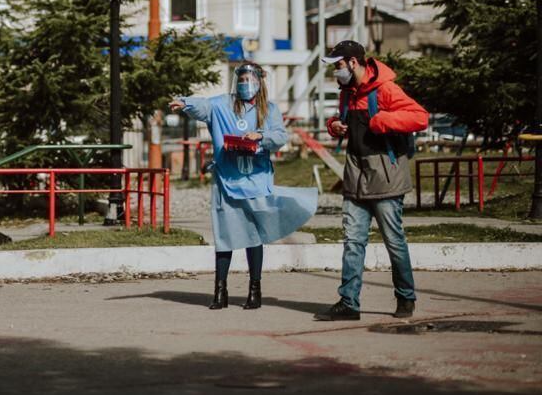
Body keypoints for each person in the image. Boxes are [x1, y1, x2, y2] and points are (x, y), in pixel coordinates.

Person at [170, 62, 318, 310]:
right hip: (226, 179)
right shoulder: (222, 105)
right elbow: (204, 106)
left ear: (259, 82)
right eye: (241, 80)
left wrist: (260, 136)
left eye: (250, 80)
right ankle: (220, 290)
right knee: (224, 235)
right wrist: (185, 102)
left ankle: (255, 289)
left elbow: (280, 136)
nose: (245, 84)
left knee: (253, 235)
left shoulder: (268, 109)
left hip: (256, 180)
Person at [315, 40, 428, 321]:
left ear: (354, 62)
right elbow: (342, 123)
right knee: (353, 241)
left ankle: (406, 298)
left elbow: (419, 117)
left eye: (338, 66)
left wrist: (382, 121)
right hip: (355, 176)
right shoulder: (347, 94)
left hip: (386, 177)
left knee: (394, 241)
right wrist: (334, 126)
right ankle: (349, 303)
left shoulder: (384, 89)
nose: (336, 73)